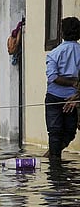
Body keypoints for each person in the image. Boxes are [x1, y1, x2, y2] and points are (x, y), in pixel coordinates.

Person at [44, 16, 80, 161]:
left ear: (62, 33)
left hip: (54, 96)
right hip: (73, 98)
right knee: (70, 132)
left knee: (54, 132)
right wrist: (74, 84)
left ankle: (53, 162)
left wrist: (71, 84)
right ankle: (53, 160)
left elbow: (52, 77)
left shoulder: (54, 53)